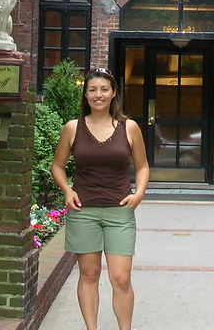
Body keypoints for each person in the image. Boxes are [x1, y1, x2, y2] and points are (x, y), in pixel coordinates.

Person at [51, 68, 150, 330]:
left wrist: (138, 193)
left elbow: (142, 166)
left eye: (104, 89)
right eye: (93, 89)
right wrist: (67, 190)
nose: (98, 95)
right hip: (84, 212)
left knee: (121, 278)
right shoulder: (73, 128)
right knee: (90, 274)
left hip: (119, 211)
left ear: (114, 93)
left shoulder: (129, 127)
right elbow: (57, 166)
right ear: (85, 94)